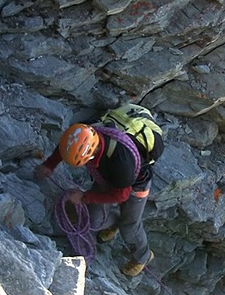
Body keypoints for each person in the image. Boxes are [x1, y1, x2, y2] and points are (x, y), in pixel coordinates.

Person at [34, 106, 164, 277]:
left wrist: (84, 197)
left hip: (136, 183)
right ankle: (115, 222)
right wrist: (49, 165)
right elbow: (67, 145)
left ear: (91, 154)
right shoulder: (86, 130)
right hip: (107, 176)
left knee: (129, 227)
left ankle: (143, 256)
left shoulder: (122, 162)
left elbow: (121, 195)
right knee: (94, 222)